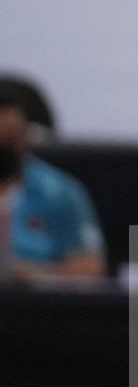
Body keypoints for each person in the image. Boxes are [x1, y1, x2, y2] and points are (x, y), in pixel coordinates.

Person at [0, 80, 106, 282]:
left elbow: (90, 266)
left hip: (34, 304)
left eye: (9, 137)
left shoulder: (60, 191)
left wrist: (33, 275)